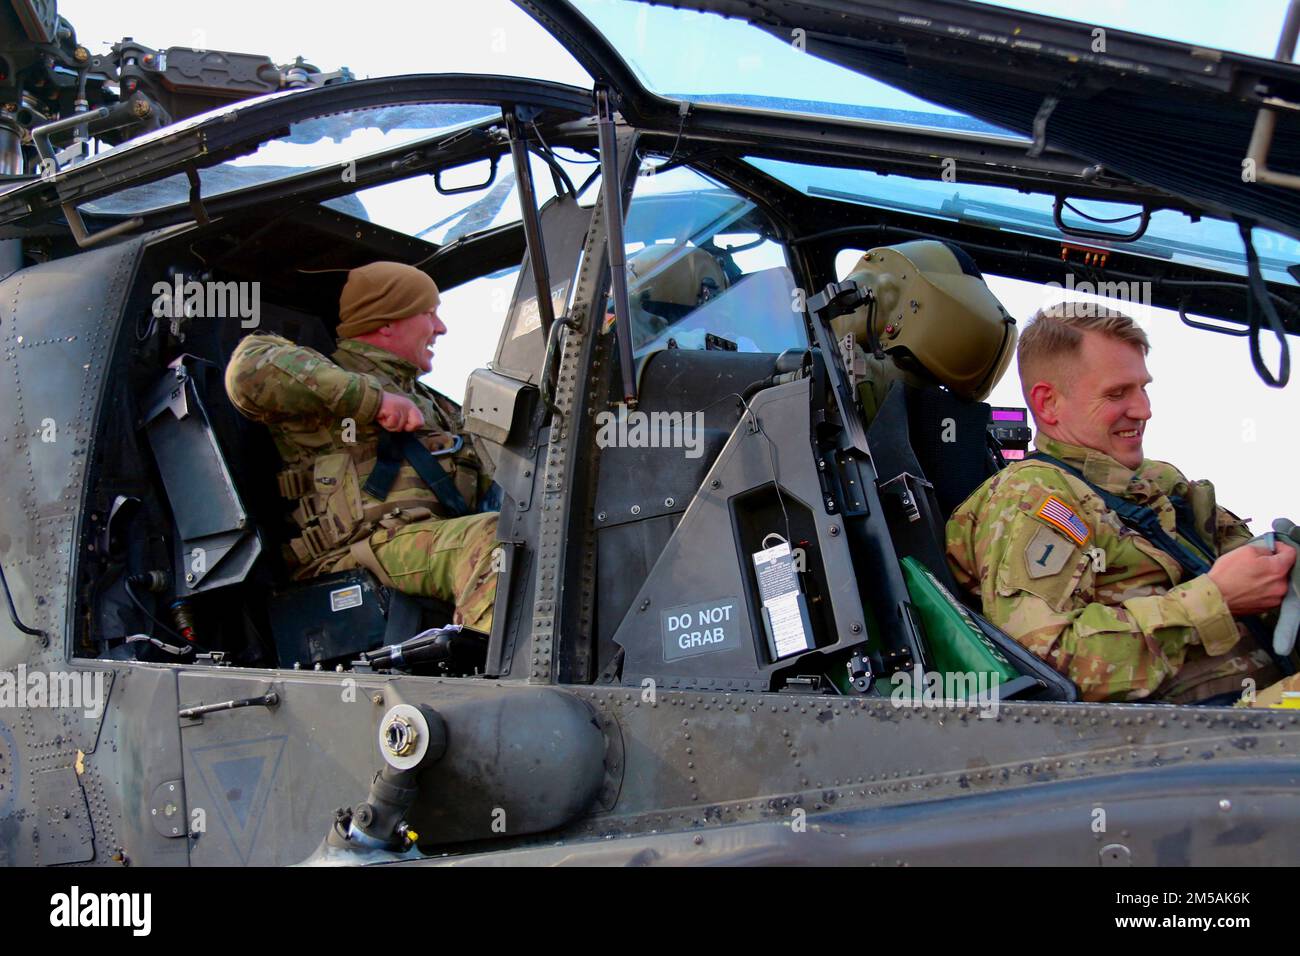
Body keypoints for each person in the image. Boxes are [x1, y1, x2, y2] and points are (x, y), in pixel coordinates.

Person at [946, 302, 1296, 703]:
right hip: (1186, 738)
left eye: (1143, 388)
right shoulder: (1034, 498)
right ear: (1048, 404)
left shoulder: (1154, 482)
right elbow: (1051, 664)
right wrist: (1215, 599)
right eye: (1117, 393)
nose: (1144, 410)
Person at [224, 261, 499, 632]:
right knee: (494, 539)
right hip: (354, 554)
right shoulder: (327, 380)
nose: (440, 328)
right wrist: (373, 400)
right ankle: (499, 681)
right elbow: (248, 368)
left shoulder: (437, 406)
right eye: (429, 314)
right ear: (387, 321)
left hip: (427, 546)